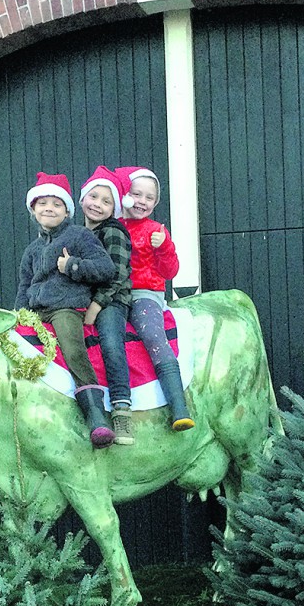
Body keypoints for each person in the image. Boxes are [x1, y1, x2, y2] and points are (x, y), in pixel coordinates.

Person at [15, 172, 117, 448]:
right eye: (43, 203)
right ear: (33, 209)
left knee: (73, 350)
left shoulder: (80, 236)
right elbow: (24, 286)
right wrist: (18, 317)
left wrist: (73, 266)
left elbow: (107, 269)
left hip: (65, 308)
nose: (49, 208)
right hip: (36, 311)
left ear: (67, 210)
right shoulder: (32, 250)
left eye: (56, 204)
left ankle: (97, 416)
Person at [116, 165, 193, 431]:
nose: (142, 202)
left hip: (144, 294)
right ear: (125, 195)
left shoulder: (155, 230)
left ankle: (179, 406)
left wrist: (164, 247)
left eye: (149, 198)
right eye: (137, 194)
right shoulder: (112, 227)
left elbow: (170, 271)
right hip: (114, 295)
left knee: (153, 337)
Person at [79, 165, 135, 445]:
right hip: (84, 301)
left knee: (112, 342)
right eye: (93, 197)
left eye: (106, 201)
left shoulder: (114, 232)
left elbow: (118, 274)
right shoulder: (77, 235)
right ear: (82, 199)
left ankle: (122, 408)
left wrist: (97, 306)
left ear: (115, 208)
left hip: (112, 300)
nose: (98, 204)